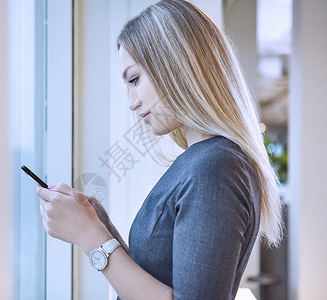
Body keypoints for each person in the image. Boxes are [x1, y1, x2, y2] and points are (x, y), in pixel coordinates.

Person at [36, 0, 284, 299]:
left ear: (175, 64)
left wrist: (92, 238)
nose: (132, 101)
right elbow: (162, 282)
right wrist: (102, 230)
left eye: (135, 79)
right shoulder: (203, 160)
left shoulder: (216, 166)